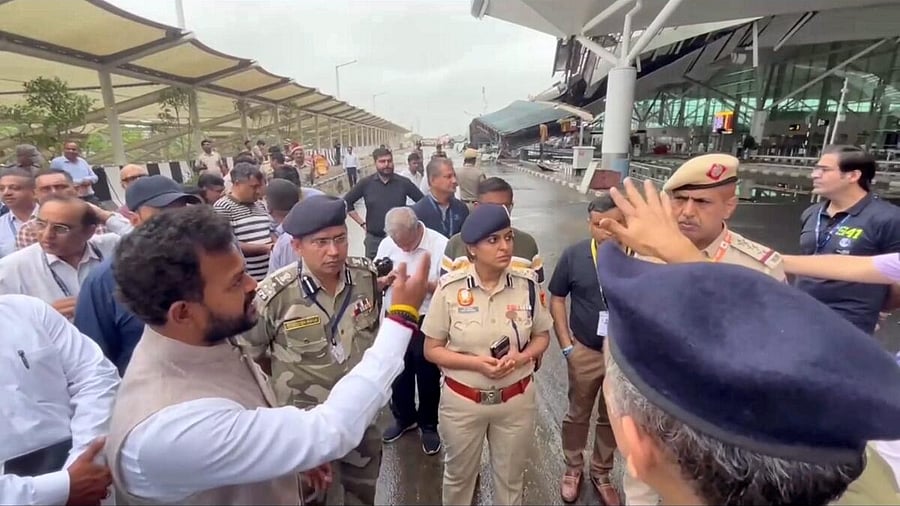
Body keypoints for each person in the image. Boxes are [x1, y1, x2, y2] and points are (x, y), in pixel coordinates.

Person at [601, 177, 900, 505]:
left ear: (637, 446)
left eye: (701, 201)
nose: (687, 211)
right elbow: (770, 340)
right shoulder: (870, 482)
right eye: (680, 199)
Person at [105, 205, 431, 505]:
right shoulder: (170, 428)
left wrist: (286, 458)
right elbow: (328, 430)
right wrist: (401, 318)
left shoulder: (206, 340)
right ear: (182, 312)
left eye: (340, 239)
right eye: (235, 282)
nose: (252, 286)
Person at [242, 196, 385, 505]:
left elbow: (371, 334)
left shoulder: (365, 277)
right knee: (314, 498)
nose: (333, 252)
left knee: (363, 494)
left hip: (360, 420)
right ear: (297, 246)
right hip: (306, 428)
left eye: (340, 239)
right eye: (320, 242)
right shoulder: (275, 296)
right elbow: (250, 359)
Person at [423, 204, 551, 506]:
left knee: (510, 481)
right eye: (493, 240)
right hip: (463, 403)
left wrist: (521, 357)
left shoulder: (526, 285)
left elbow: (543, 336)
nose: (505, 246)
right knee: (458, 479)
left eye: (508, 238)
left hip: (516, 402)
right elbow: (431, 349)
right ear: (472, 249)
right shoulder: (450, 289)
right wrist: (476, 363)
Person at [74, 176, 201, 374]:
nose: (176, 221)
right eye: (164, 213)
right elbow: (94, 359)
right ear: (135, 220)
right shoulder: (105, 279)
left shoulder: (204, 263)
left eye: (182, 210)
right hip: (147, 394)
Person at [1, 294, 119, 506]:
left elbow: (97, 376)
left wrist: (84, 462)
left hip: (93, 478)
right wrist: (63, 487)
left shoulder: (28, 310)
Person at [548, 195, 623, 505]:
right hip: (585, 351)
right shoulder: (575, 256)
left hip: (624, 358)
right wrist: (566, 344)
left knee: (613, 416)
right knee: (578, 413)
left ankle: (602, 472)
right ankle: (573, 468)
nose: (604, 232)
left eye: (611, 225)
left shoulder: (640, 257)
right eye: (597, 225)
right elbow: (556, 298)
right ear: (589, 224)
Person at [795, 145, 900, 333]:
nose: (814, 175)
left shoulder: (888, 218)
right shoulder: (812, 214)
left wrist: (879, 309)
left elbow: (897, 276)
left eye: (824, 170)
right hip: (801, 315)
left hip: (849, 325)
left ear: (853, 176)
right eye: (816, 168)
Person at [376, 207, 448, 454]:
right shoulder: (388, 244)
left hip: (426, 317)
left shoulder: (439, 244)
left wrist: (420, 285)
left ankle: (429, 424)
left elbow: (448, 286)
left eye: (407, 244)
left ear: (417, 228)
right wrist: (385, 281)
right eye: (398, 244)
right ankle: (404, 417)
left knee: (427, 373)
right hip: (394, 315)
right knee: (397, 370)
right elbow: (378, 274)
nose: (403, 249)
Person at [0, 196, 120, 317]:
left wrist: (107, 216)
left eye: (60, 228)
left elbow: (137, 235)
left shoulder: (112, 246)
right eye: (41, 224)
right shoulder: (11, 268)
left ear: (89, 232)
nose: (47, 235)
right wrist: (44, 317)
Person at [442, 177, 544, 282]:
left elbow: (538, 290)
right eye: (491, 208)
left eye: (504, 207)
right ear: (477, 207)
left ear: (511, 207)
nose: (497, 214)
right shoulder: (455, 244)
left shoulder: (527, 244)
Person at [17, 169, 132, 249]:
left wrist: (105, 217)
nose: (54, 192)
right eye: (45, 189)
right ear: (34, 194)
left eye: (60, 187)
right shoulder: (28, 230)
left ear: (76, 190)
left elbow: (140, 241)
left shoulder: (102, 221)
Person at [345, 147, 424, 259]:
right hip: (374, 241)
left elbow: (423, 203)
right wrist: (362, 224)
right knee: (373, 275)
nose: (387, 164)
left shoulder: (403, 183)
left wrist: (411, 222)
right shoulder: (366, 184)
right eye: (382, 161)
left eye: (389, 161)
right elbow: (347, 202)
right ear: (375, 163)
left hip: (400, 241)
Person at [213, 162, 273, 282]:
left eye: (259, 187)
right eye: (253, 187)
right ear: (237, 184)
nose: (258, 191)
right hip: (248, 278)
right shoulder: (223, 207)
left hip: (268, 275)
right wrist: (264, 248)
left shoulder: (260, 205)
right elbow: (227, 244)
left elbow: (269, 231)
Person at [410, 157, 468, 239]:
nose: (454, 181)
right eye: (448, 177)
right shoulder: (417, 212)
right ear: (433, 180)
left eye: (454, 176)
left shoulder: (461, 208)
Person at [0, 167, 37, 257]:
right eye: (1, 189)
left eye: (14, 188)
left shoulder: (52, 217)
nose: (6, 193)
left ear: (33, 192)